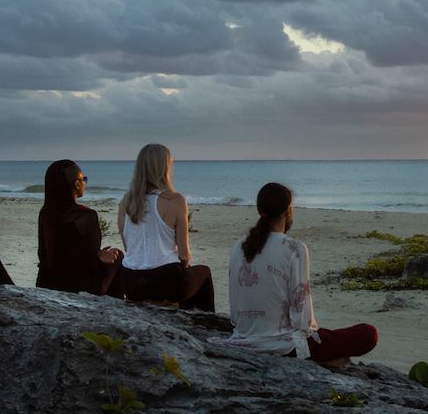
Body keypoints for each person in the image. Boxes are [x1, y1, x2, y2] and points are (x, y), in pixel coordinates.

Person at [215, 182, 376, 364]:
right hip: (285, 347)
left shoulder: (238, 246)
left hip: (243, 338)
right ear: (288, 210)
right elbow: (303, 322)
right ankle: (326, 360)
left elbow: (235, 317)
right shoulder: (295, 248)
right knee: (368, 333)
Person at [113, 144, 214, 311]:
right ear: (164, 167)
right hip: (164, 280)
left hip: (130, 281)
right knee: (203, 273)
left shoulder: (126, 202)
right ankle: (204, 328)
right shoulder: (174, 200)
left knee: (184, 277)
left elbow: (130, 248)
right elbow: (184, 254)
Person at [35, 159, 121, 294]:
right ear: (76, 184)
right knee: (118, 256)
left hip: (47, 282)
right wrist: (100, 257)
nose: (84, 183)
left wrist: (98, 255)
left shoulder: (46, 214)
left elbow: (44, 254)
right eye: (83, 179)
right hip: (78, 286)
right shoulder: (86, 216)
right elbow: (91, 265)